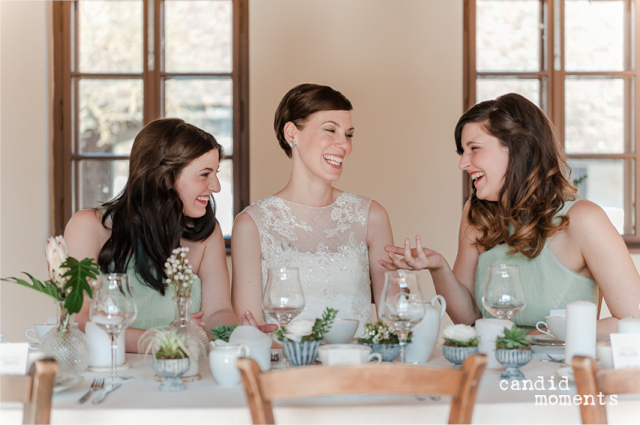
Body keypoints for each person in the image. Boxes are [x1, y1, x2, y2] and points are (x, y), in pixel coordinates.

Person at [380, 93, 640, 336]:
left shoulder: (584, 219)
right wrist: (438, 267)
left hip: (560, 375)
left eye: (474, 148)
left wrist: (544, 338)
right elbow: (467, 316)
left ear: (517, 148)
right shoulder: (478, 212)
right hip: (493, 368)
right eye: (463, 151)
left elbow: (633, 319)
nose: (463, 163)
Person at [65, 118, 243, 352]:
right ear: (165, 176)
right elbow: (80, 320)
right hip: (111, 374)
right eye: (204, 174)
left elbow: (219, 312)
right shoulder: (88, 226)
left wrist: (240, 335)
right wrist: (161, 340)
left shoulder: (208, 232)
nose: (217, 186)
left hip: (184, 372)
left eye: (216, 173)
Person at [231, 83, 394, 336]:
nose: (344, 145)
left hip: (357, 369)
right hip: (284, 371)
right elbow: (250, 332)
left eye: (348, 134)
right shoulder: (252, 224)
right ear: (291, 134)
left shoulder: (371, 217)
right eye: (330, 130)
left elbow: (391, 324)